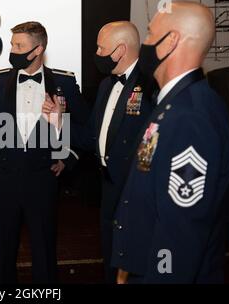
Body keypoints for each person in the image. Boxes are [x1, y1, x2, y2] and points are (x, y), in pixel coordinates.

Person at [111, 1, 229, 284]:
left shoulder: (190, 117)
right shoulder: (174, 103)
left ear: (171, 42)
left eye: (151, 34)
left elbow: (180, 231)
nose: (145, 43)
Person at [0, 21, 89, 284]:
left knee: (44, 247)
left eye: (19, 46)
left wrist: (67, 156)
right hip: (4, 179)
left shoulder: (64, 82)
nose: (12, 50)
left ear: (38, 49)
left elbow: (84, 127)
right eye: (13, 44)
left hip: (43, 179)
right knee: (3, 249)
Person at [51, 21, 154, 283]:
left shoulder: (152, 84)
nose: (96, 53)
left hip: (138, 189)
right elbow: (91, 137)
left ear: (120, 50)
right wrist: (59, 122)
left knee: (137, 257)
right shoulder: (107, 85)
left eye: (100, 47)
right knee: (111, 254)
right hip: (107, 186)